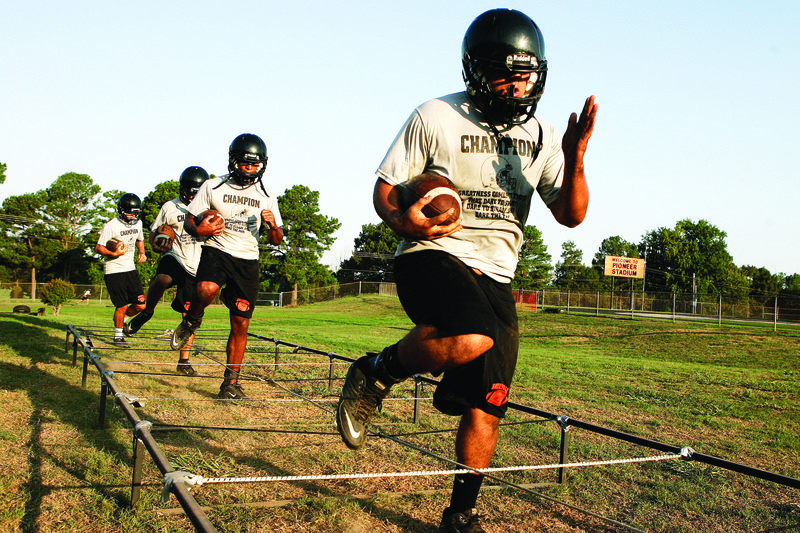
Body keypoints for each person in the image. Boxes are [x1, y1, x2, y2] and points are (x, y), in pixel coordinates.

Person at [335, 9, 597, 532]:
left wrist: (576, 156)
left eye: (528, 73)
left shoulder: (543, 135)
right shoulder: (435, 115)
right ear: (476, 69)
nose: (520, 84)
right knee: (472, 335)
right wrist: (401, 219)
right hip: (433, 253)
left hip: (498, 272)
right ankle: (375, 373)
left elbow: (571, 215)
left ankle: (459, 516)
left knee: (489, 404)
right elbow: (384, 190)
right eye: (508, 71)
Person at [170, 133, 284, 400]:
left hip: (247, 259)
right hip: (217, 250)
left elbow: (276, 239)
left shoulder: (266, 195)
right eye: (246, 163)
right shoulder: (213, 186)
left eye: (255, 165)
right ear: (234, 161)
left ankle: (231, 384)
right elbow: (189, 221)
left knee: (241, 323)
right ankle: (192, 319)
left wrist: (273, 226)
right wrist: (200, 228)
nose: (251, 169)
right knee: (206, 289)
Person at [124, 166, 210, 376]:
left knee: (189, 316)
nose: (192, 195)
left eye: (196, 192)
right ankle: (147, 312)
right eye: (190, 191)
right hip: (174, 256)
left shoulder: (210, 208)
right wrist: (156, 244)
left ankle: (184, 362)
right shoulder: (170, 207)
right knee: (161, 279)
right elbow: (154, 232)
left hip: (198, 264)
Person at [96, 193, 147, 347]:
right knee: (122, 305)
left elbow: (140, 239)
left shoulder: (138, 224)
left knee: (141, 304)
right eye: (131, 212)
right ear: (122, 211)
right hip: (114, 269)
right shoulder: (111, 225)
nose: (133, 216)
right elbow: (98, 247)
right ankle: (118, 336)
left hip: (130, 268)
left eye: (136, 212)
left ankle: (121, 320)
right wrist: (113, 253)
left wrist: (142, 252)